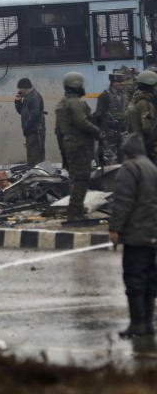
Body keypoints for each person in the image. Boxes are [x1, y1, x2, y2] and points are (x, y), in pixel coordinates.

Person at [108, 134, 157, 338]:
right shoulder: (151, 167)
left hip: (136, 235)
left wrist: (115, 228)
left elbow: (122, 201)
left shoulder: (130, 168)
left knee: (134, 278)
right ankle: (147, 324)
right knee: (149, 279)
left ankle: (137, 325)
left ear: (126, 153)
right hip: (151, 234)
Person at [55, 72, 101, 222]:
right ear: (77, 85)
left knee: (75, 179)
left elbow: (58, 131)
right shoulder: (75, 102)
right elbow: (82, 122)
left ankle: (75, 210)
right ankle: (75, 214)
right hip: (80, 145)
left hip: (69, 145)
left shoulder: (62, 103)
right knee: (81, 179)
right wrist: (99, 133)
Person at [95, 71, 128, 166]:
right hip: (109, 133)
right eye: (119, 82)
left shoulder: (124, 95)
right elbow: (99, 115)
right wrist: (105, 131)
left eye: (122, 82)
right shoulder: (104, 95)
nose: (122, 84)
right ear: (113, 83)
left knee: (122, 160)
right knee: (109, 160)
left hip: (122, 131)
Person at [126, 69, 157, 160]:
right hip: (145, 146)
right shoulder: (144, 103)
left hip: (138, 143)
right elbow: (147, 128)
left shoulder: (136, 99)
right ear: (149, 87)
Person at [14, 78, 46, 166]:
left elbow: (34, 114)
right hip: (30, 131)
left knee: (36, 157)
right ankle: (33, 175)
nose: (19, 91)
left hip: (35, 131)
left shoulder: (35, 97)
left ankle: (38, 176)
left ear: (25, 88)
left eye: (20, 88)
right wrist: (17, 102)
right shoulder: (27, 97)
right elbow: (22, 112)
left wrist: (26, 127)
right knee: (31, 156)